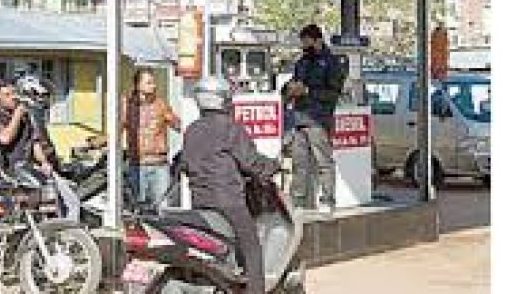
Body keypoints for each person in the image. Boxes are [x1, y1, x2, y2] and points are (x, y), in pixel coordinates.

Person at [181, 75, 280, 294]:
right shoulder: (230, 128)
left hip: (200, 201)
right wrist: (274, 166)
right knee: (252, 247)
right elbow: (251, 163)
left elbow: (184, 164)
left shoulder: (192, 130)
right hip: (228, 201)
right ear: (223, 99)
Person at [0, 77, 79, 221]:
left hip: (25, 169)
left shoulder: (25, 117)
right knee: (23, 208)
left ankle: (67, 228)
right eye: (7, 95)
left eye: (14, 93)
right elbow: (4, 139)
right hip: (2, 173)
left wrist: (44, 162)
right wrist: (17, 115)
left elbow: (34, 142)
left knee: (69, 198)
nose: (13, 97)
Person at [285, 24, 346, 212]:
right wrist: (289, 89)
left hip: (319, 119)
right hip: (299, 119)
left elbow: (334, 93)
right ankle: (299, 202)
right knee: (299, 164)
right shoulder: (301, 62)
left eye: (307, 41)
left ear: (318, 40)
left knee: (323, 163)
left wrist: (308, 91)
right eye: (302, 42)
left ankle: (327, 200)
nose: (304, 45)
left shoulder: (332, 63)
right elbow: (291, 85)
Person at [122, 68, 181, 206]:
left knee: (163, 207)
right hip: (137, 165)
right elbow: (115, 131)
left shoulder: (160, 105)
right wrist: (95, 144)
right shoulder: (128, 106)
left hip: (160, 165)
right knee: (138, 207)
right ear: (138, 85)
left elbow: (178, 125)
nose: (154, 86)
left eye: (153, 82)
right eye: (149, 83)